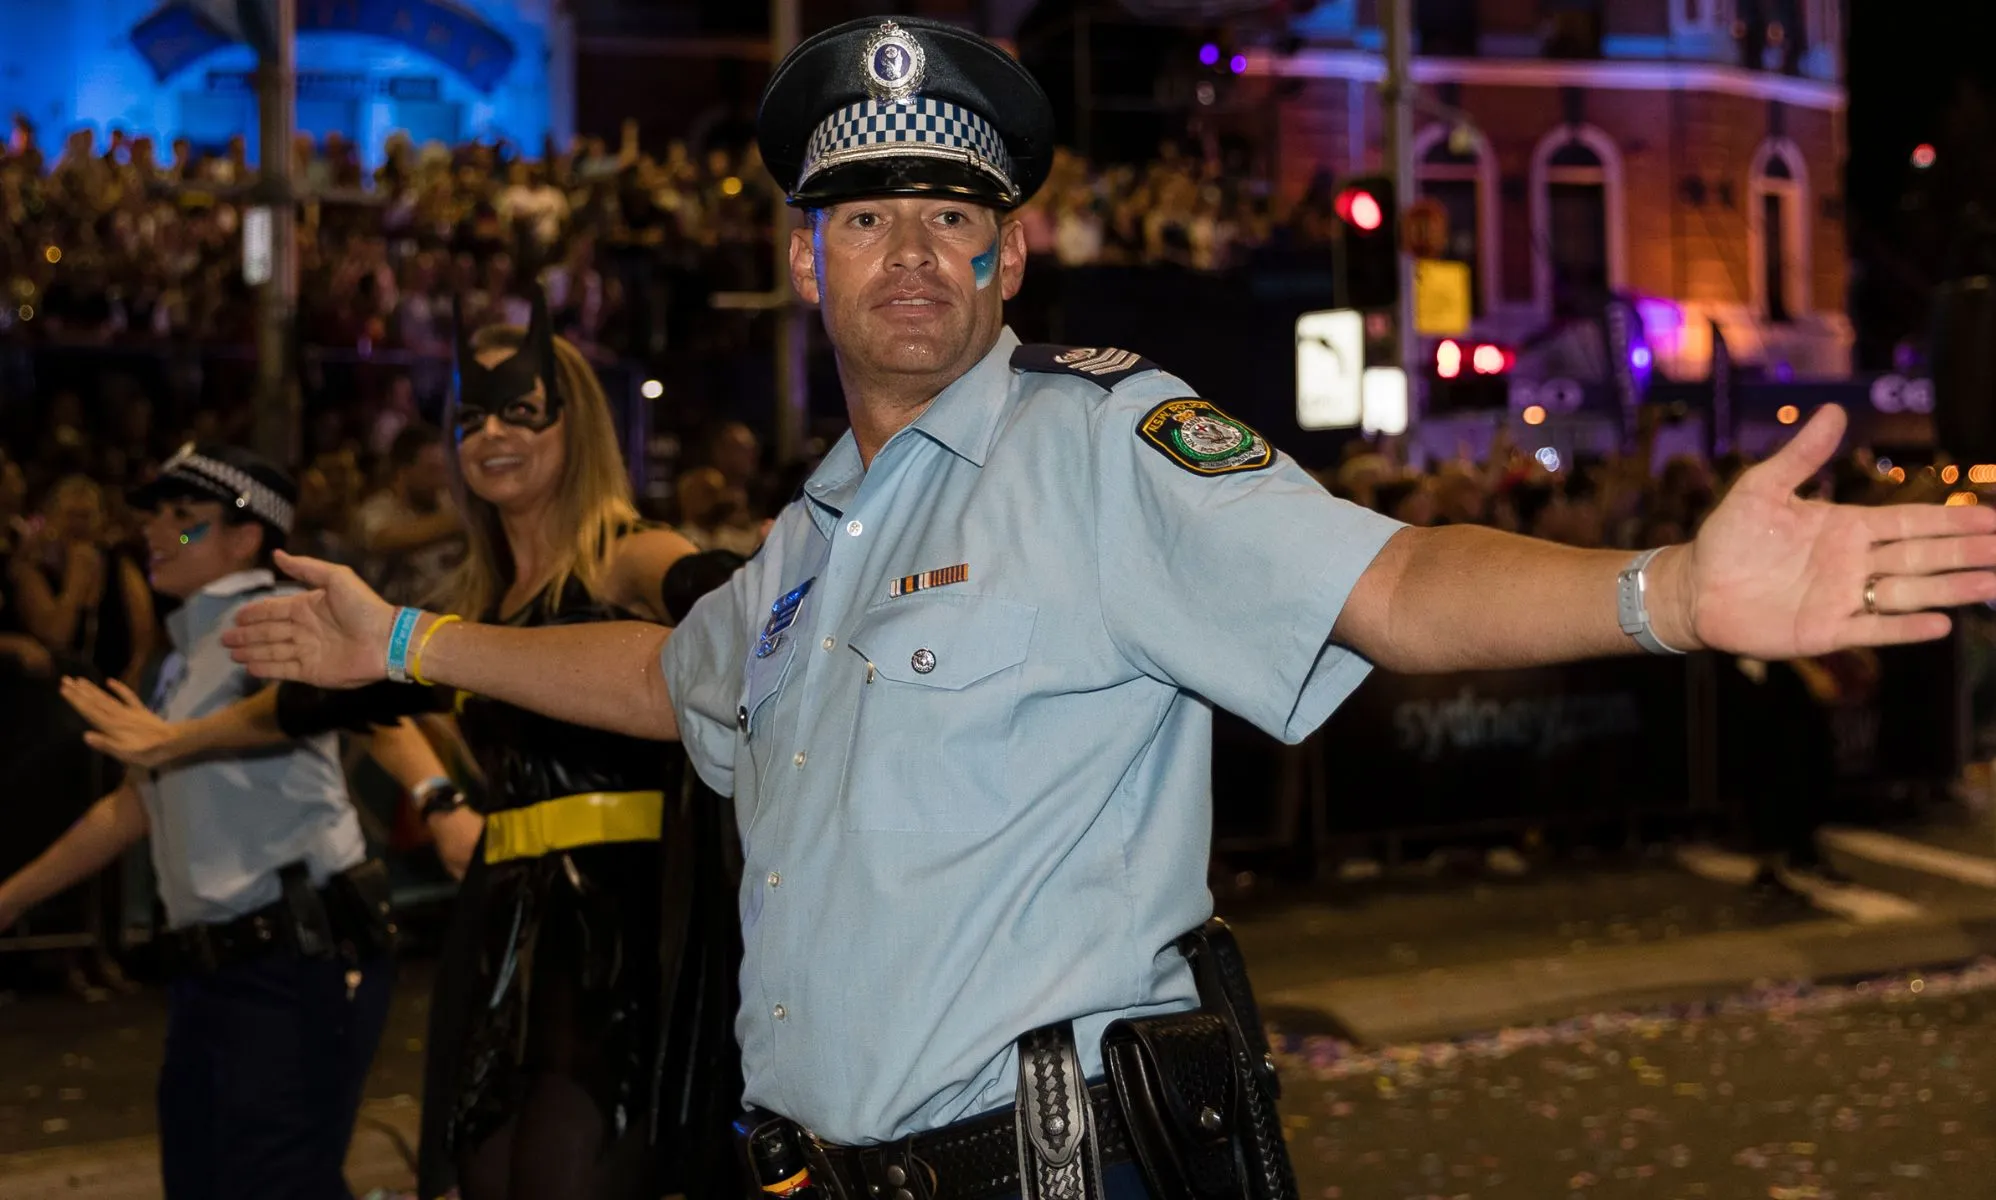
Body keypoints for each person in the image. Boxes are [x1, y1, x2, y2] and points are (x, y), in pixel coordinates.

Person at [221, 15, 1996, 1200]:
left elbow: (1385, 583)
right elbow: (663, 672)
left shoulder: (1103, 443)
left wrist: (1666, 591)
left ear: (1013, 256)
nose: (912, 249)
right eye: (867, 215)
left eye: (953, 214)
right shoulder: (806, 544)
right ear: (800, 259)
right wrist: (398, 642)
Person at [84, 294, 731, 1200]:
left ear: (574, 425)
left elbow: (729, 621)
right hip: (504, 919)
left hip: (611, 934)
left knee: (566, 1168)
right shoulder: (472, 606)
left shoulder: (624, 553)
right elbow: (312, 708)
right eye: (470, 418)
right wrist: (178, 737)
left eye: (521, 411)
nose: (491, 434)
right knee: (483, 1167)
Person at [0, 443, 397, 1200]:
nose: (156, 533)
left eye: (185, 522)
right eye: (154, 516)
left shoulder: (267, 625)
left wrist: (441, 798)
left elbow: (377, 712)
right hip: (213, 977)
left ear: (247, 539)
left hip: (293, 963)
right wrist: (11, 899)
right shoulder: (190, 653)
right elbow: (134, 804)